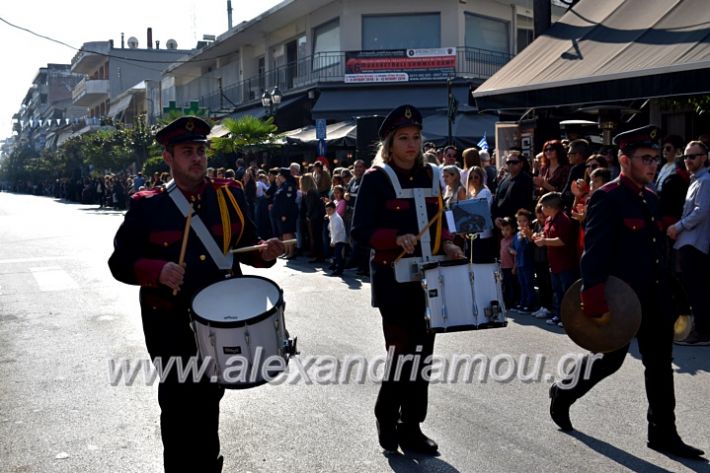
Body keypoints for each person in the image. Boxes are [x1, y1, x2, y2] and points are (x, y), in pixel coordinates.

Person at [108, 116, 285, 472]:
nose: (197, 158)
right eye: (187, 151)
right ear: (168, 157)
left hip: (222, 320)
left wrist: (265, 252)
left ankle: (207, 466)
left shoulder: (228, 195)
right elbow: (120, 262)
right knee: (177, 402)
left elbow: (245, 247)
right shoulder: (148, 205)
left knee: (208, 399)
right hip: (170, 322)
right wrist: (156, 270)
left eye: (201, 150)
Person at [548, 125, 705, 459]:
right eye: (644, 158)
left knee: (660, 366)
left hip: (655, 298)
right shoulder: (606, 197)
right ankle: (563, 392)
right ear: (623, 159)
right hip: (620, 303)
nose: (652, 164)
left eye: (654, 158)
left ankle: (664, 433)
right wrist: (593, 300)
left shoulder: (650, 197)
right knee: (609, 361)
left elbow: (658, 251)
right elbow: (595, 255)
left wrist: (675, 296)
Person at [351, 104, 464, 455]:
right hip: (393, 278)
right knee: (402, 353)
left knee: (425, 354)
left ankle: (411, 425)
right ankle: (386, 415)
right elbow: (360, 231)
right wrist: (393, 238)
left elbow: (440, 220)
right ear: (390, 142)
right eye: (403, 138)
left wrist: (447, 242)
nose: (411, 144)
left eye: (415, 137)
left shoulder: (432, 175)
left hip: (430, 279)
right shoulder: (376, 178)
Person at [667, 140, 710, 346]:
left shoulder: (706, 180)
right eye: (685, 156)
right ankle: (698, 329)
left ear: (704, 157)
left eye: (693, 156)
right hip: (687, 242)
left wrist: (678, 226)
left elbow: (701, 211)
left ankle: (702, 332)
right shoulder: (696, 180)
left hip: (694, 243)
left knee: (696, 289)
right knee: (691, 288)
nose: (688, 160)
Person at [533, 192, 579, 327]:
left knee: (566, 292)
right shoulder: (549, 220)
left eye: (542, 206)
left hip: (565, 263)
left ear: (549, 207)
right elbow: (546, 234)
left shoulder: (563, 220)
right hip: (554, 263)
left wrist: (544, 241)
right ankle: (558, 315)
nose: (541, 209)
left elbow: (562, 241)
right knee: (557, 291)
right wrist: (539, 235)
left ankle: (568, 318)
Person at [271, 167, 299, 259]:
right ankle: (286, 251)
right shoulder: (283, 185)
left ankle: (291, 252)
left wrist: (284, 214)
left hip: (288, 214)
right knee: (284, 233)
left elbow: (288, 202)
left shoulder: (289, 185)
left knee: (288, 233)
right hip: (281, 214)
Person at [325, 200, 347, 276]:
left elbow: (336, 231)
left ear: (334, 209)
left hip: (339, 239)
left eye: (330, 210)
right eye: (327, 210)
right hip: (336, 239)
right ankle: (334, 265)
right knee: (335, 253)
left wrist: (333, 241)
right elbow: (331, 227)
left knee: (338, 255)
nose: (328, 212)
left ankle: (339, 270)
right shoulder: (332, 216)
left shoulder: (336, 218)